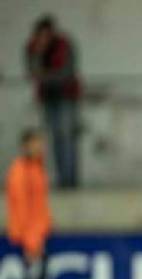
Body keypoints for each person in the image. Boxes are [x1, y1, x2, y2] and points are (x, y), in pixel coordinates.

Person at [2, 128, 52, 279]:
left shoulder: (37, 168)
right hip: (27, 235)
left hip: (38, 232)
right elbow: (22, 208)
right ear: (25, 146)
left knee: (36, 274)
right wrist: (31, 239)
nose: (39, 147)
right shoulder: (19, 172)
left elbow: (40, 205)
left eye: (40, 143)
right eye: (35, 143)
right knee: (34, 274)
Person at [25, 15, 81, 189]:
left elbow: (66, 73)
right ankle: (61, 180)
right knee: (54, 139)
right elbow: (32, 72)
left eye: (46, 35)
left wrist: (45, 76)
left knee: (67, 138)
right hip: (47, 98)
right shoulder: (33, 47)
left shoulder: (64, 45)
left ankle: (70, 180)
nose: (44, 39)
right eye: (40, 35)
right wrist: (39, 53)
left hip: (66, 97)